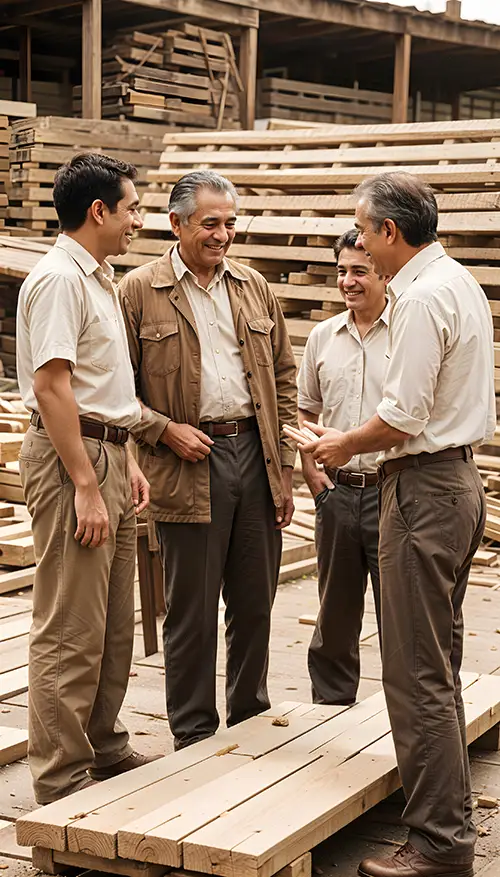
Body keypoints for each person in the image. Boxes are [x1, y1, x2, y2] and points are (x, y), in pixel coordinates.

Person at [288, 172, 495, 877]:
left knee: (414, 671)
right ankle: (449, 822)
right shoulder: (459, 282)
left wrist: (340, 443)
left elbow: (404, 415)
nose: (362, 250)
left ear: (390, 233)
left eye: (364, 230)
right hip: (456, 482)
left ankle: (439, 843)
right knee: (435, 661)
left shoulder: (420, 298)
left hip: (423, 488)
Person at [119, 169, 297, 751]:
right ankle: (194, 738)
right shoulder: (139, 291)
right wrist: (164, 430)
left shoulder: (253, 286)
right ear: (176, 224)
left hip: (254, 454)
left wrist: (284, 469)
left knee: (254, 603)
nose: (222, 236)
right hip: (187, 462)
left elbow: (285, 379)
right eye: (210, 224)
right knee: (190, 613)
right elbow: (114, 388)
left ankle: (250, 724)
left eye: (230, 224)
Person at [17, 153, 159, 805]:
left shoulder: (98, 276)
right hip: (73, 459)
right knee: (70, 624)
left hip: (107, 451)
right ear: (98, 210)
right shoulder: (57, 280)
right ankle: (60, 777)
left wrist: (124, 457)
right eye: (132, 207)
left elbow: (102, 383)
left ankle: (103, 745)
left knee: (111, 623)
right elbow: (52, 387)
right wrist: (83, 481)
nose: (138, 219)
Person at [298, 228, 389, 706]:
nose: (348, 282)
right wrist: (314, 480)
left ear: (383, 272)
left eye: (359, 271)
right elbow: (305, 411)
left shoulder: (406, 332)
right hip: (336, 493)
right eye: (341, 271)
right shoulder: (322, 337)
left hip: (392, 492)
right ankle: (330, 710)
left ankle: (407, 721)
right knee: (334, 613)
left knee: (398, 615)